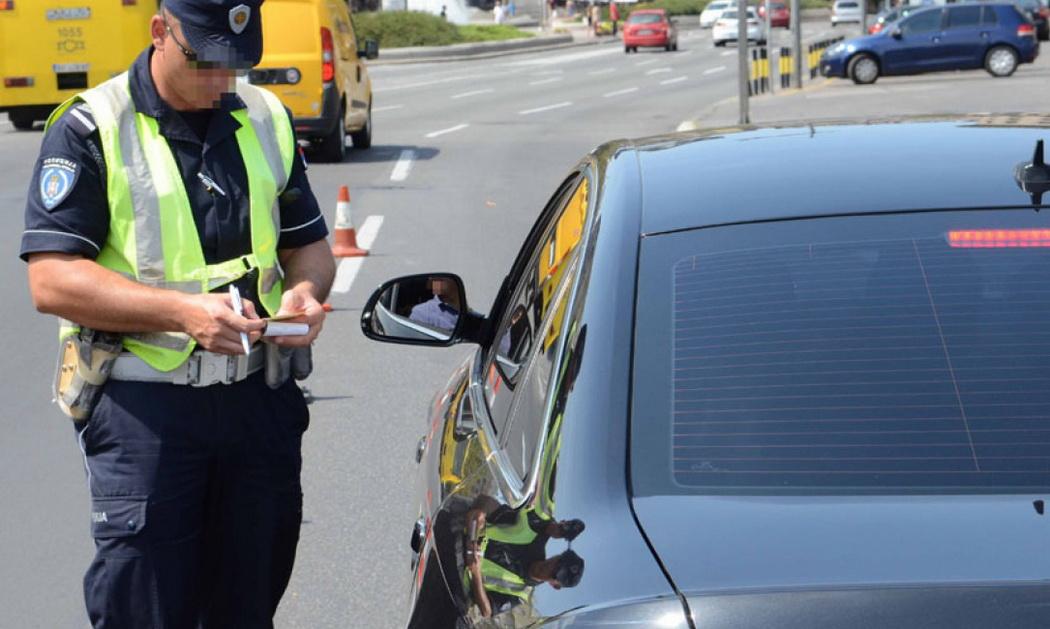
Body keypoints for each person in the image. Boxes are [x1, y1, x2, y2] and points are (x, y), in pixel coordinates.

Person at [20, 1, 335, 627]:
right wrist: (181, 313)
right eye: (206, 62)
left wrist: (304, 291)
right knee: (146, 610)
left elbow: (309, 245)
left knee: (248, 604)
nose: (222, 81)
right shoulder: (91, 126)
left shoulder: (265, 117)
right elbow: (51, 279)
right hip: (148, 417)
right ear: (160, 32)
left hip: (255, 404)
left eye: (237, 65)